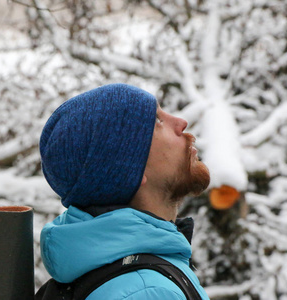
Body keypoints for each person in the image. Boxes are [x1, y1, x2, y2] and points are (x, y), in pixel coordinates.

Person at [39, 83, 211, 299]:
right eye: (157, 121)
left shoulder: (112, 276)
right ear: (130, 169)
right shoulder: (147, 292)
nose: (181, 122)